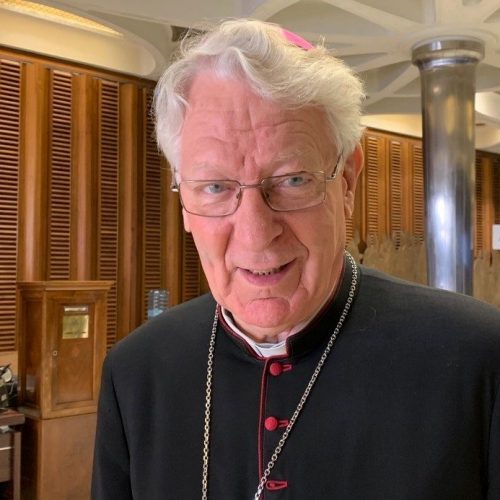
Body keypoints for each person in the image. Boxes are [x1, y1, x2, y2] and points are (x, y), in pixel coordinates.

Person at [91, 19, 500, 500]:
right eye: (215, 187)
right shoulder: (135, 373)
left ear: (347, 182)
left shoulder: (480, 358)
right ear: (184, 202)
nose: (256, 234)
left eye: (292, 180)